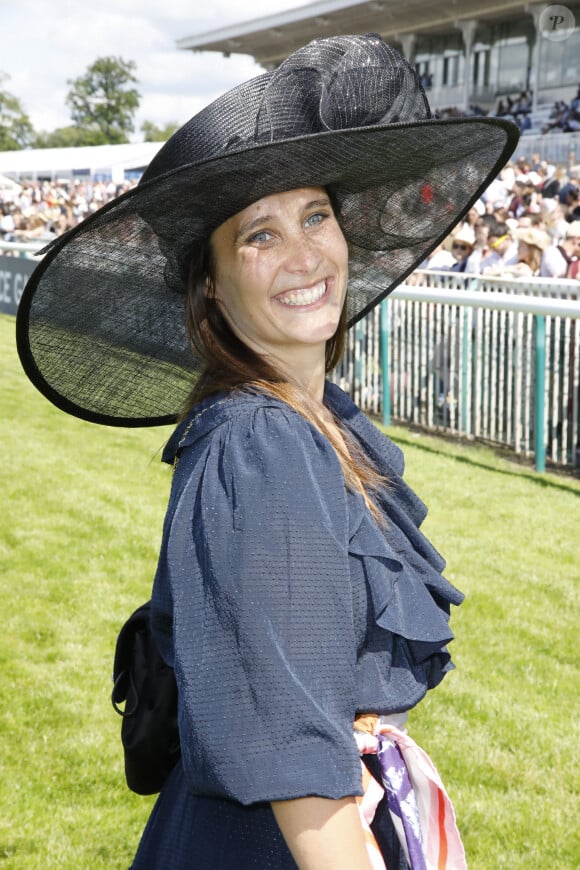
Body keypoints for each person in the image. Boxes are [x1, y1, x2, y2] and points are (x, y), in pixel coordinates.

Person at [16, 34, 518, 870]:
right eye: (259, 235)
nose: (304, 255)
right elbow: (295, 762)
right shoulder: (259, 442)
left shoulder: (315, 421)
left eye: (315, 215)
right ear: (211, 282)